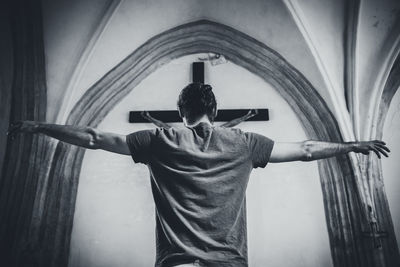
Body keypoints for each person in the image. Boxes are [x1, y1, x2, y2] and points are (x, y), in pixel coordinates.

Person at [7, 83, 390, 267]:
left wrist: (41, 127)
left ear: (182, 112)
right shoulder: (242, 142)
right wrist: (351, 146)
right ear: (214, 110)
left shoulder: (160, 140)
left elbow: (92, 138)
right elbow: (307, 151)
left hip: (177, 264)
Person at [140, 109, 258, 129]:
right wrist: (149, 118)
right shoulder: (182, 135)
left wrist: (247, 116)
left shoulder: (213, 133)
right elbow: (163, 126)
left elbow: (229, 125)